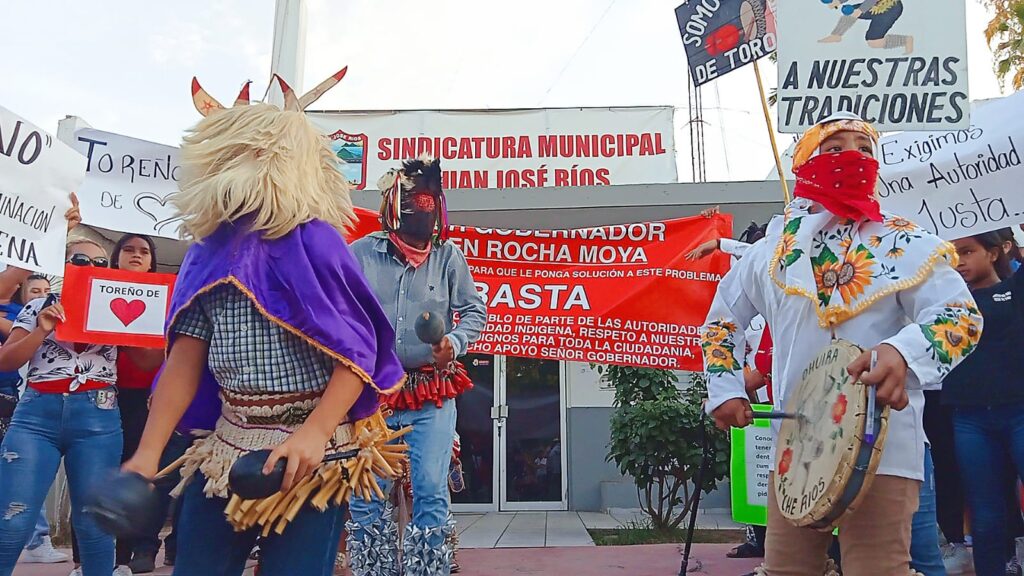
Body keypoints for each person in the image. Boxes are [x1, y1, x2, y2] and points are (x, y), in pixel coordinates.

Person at [121, 72, 405, 576]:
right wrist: (146, 455)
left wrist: (316, 433)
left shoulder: (316, 240)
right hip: (228, 448)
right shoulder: (205, 250)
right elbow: (184, 362)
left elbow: (358, 351)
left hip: (312, 455)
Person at [703, 112, 980, 575]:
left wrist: (903, 352)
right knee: (788, 571)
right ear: (805, 163)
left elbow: (961, 317)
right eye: (834, 149)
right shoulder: (769, 254)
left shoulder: (904, 242)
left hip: (884, 446)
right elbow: (721, 322)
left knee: (879, 569)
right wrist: (726, 389)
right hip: (797, 450)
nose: (852, 157)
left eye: (864, 148)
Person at [347, 156, 487, 576]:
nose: (423, 213)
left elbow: (474, 313)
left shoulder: (448, 258)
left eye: (430, 203)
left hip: (432, 392)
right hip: (373, 395)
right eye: (413, 203)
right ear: (393, 207)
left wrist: (454, 344)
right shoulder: (359, 254)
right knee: (368, 494)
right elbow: (335, 313)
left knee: (430, 489)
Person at [0, 237, 123, 576]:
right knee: (13, 518)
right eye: (81, 260)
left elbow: (148, 360)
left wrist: (134, 329)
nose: (91, 268)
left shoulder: (117, 306)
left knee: (95, 522)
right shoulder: (36, 306)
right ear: (65, 266)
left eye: (100, 263)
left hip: (98, 416)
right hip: (36, 416)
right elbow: (6, 361)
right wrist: (41, 330)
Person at [941, 231, 1024, 576]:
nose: (959, 260)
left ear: (993, 253)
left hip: (1019, 412)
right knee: (985, 514)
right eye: (952, 253)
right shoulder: (941, 305)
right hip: (969, 419)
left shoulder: (1016, 291)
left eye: (967, 251)